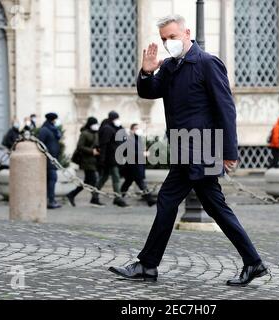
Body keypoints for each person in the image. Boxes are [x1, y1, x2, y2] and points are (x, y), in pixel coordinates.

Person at [108, 15, 268, 287]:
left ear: (186, 33)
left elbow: (226, 109)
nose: (167, 43)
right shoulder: (170, 67)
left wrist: (229, 150)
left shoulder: (207, 63)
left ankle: (148, 265)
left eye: (171, 37)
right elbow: (149, 92)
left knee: (177, 202)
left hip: (204, 148)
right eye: (163, 39)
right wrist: (147, 72)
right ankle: (253, 263)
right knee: (208, 206)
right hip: (184, 148)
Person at [66, 117, 101, 207]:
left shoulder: (96, 134)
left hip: (94, 161)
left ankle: (72, 195)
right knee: (92, 180)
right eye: (94, 124)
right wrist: (91, 151)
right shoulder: (84, 134)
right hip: (86, 161)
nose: (96, 126)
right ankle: (94, 199)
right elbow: (80, 146)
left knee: (89, 181)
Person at [96, 111, 128, 207]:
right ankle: (118, 198)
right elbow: (104, 145)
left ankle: (94, 196)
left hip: (112, 157)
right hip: (109, 158)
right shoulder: (107, 129)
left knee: (104, 178)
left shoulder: (113, 128)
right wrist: (102, 159)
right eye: (116, 118)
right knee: (116, 178)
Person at [121, 124, 156, 207]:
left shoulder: (138, 139)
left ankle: (119, 197)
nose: (138, 130)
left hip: (137, 165)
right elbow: (129, 153)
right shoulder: (130, 139)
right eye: (136, 128)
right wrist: (142, 154)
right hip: (133, 165)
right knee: (140, 182)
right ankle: (149, 199)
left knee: (128, 183)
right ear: (132, 130)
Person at [38, 112, 62, 209]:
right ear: (52, 120)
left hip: (53, 159)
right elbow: (40, 144)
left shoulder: (53, 129)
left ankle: (50, 200)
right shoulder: (44, 130)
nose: (56, 121)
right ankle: (50, 201)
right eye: (55, 119)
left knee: (51, 180)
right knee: (52, 179)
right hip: (48, 160)